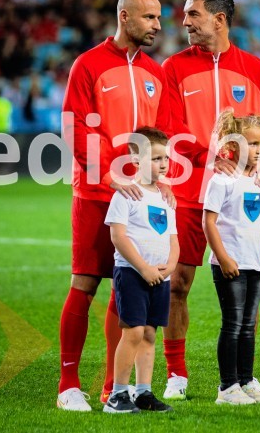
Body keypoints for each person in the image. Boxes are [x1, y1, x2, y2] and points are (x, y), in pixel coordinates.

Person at [161, 0, 260, 400]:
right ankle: (176, 373)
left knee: (247, 289)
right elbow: (169, 127)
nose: (185, 22)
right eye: (185, 14)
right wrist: (209, 156)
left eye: (193, 14)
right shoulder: (173, 68)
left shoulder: (256, 69)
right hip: (188, 195)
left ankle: (243, 376)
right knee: (178, 284)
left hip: (243, 201)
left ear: (219, 19)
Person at [57, 0, 174, 412]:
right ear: (124, 17)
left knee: (125, 290)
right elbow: (75, 125)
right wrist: (106, 173)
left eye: (158, 18)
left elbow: (162, 134)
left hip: (141, 196)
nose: (157, 25)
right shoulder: (88, 64)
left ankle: (114, 388)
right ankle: (68, 385)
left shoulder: (155, 72)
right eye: (149, 17)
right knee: (85, 283)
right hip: (96, 192)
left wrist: (162, 178)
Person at [203, 109, 260, 405]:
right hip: (230, 264)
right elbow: (209, 222)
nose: (258, 150)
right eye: (252, 143)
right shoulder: (222, 180)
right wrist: (223, 258)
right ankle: (227, 387)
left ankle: (246, 381)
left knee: (248, 326)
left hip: (255, 263)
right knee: (233, 324)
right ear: (233, 145)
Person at [103, 127, 178, 413]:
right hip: (133, 274)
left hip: (160, 276)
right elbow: (118, 237)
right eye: (156, 158)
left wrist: (171, 266)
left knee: (149, 333)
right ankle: (117, 395)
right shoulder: (126, 195)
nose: (163, 164)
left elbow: (173, 238)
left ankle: (144, 392)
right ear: (135, 160)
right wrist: (144, 268)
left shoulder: (165, 198)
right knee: (133, 332)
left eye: (165, 158)